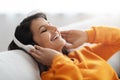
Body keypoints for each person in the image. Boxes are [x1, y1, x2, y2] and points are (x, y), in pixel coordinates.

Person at [8, 12, 120, 80]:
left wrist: (88, 35)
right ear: (33, 47)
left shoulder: (84, 54)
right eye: (44, 30)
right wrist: (58, 60)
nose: (55, 29)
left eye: (50, 24)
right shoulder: (51, 77)